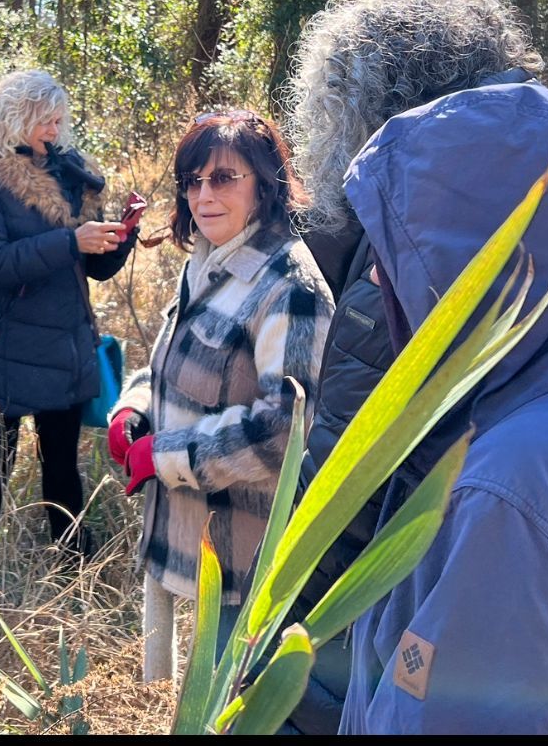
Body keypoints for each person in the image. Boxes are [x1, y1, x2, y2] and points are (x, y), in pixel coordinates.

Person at [277, 0, 541, 732]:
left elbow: (348, 475)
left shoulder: (404, 246)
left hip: (414, 622)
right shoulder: (534, 186)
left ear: (354, 107)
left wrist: (286, 672)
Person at [338, 79, 548, 733]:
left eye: (397, 253)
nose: (378, 278)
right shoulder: (502, 417)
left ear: (470, 267)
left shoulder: (505, 483)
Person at [107, 111, 333, 683]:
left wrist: (163, 456)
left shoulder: (289, 287)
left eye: (224, 178)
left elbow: (285, 429)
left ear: (265, 183)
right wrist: (132, 408)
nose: (205, 194)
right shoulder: (205, 263)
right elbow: (175, 365)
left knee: (222, 713)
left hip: (242, 563)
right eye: (194, 180)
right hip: (178, 537)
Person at [0, 69, 133, 567]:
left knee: (62, 467)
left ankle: (76, 570)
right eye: (44, 120)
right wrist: (69, 241)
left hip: (60, 344)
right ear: (15, 117)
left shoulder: (70, 173)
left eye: (58, 120)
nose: (54, 131)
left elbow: (92, 269)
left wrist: (119, 237)